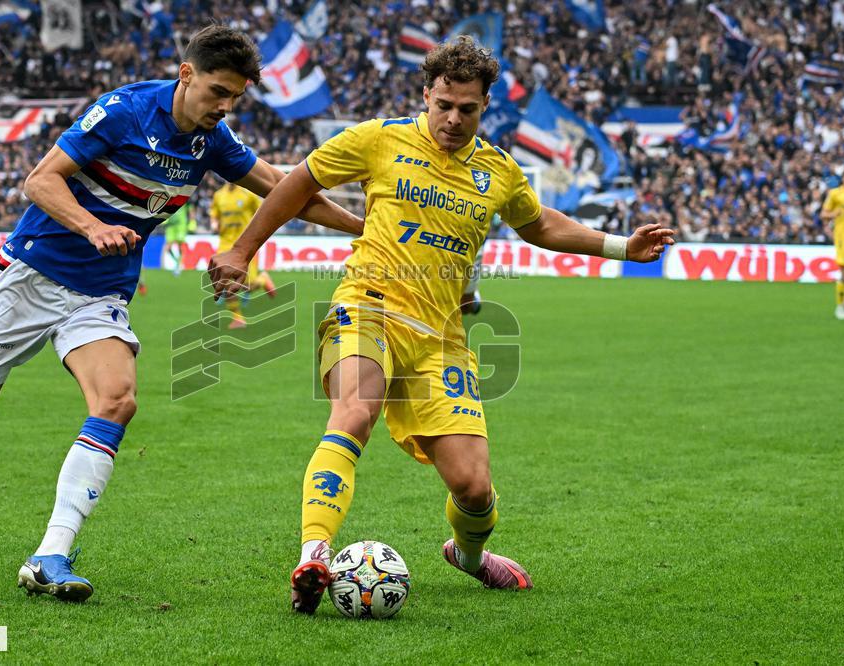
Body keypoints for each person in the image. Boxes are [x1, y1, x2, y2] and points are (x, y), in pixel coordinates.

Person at [0, 25, 362, 602]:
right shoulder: (122, 111)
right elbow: (39, 180)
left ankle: (51, 556)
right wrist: (93, 227)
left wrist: (367, 227)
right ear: (186, 75)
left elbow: (285, 187)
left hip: (100, 294)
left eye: (235, 97)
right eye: (218, 91)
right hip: (31, 278)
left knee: (117, 399)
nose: (225, 106)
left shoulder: (213, 140)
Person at [209, 36, 674, 614]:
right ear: (425, 94)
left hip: (441, 339)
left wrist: (622, 247)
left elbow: (540, 226)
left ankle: (471, 557)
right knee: (354, 412)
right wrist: (242, 252)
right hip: (367, 305)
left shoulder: (498, 170)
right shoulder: (378, 139)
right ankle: (315, 555)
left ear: (485, 107)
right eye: (443, 105)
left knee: (475, 490)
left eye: (468, 109)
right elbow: (297, 183)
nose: (453, 119)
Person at [210, 181, 275, 328]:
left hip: (246, 244)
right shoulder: (219, 195)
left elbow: (262, 212)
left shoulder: (248, 194)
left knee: (246, 285)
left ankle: (262, 280)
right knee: (224, 281)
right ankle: (238, 318)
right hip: (225, 244)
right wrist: (214, 223)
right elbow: (214, 214)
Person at [820, 180, 844, 320]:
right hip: (843, 238)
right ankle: (840, 306)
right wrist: (834, 214)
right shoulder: (835, 194)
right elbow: (823, 214)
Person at [163, 202, 197, 276]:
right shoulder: (171, 196)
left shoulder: (185, 199)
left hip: (181, 225)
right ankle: (177, 262)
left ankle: (178, 266)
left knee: (180, 246)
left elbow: (191, 210)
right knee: (168, 247)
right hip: (170, 225)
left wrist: (192, 221)